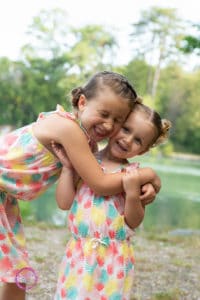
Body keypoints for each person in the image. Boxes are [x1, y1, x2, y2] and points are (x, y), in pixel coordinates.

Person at [0, 71, 160, 300]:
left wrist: (143, 184)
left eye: (117, 120)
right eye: (104, 114)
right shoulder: (69, 130)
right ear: (82, 102)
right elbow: (101, 183)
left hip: (5, 199)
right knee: (14, 274)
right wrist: (150, 174)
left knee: (16, 274)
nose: (108, 125)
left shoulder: (85, 143)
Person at [53, 100, 171, 300]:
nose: (127, 139)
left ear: (142, 151)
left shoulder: (135, 174)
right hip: (79, 252)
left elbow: (134, 221)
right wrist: (67, 168)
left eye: (138, 140)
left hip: (114, 257)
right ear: (116, 125)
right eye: (125, 129)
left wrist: (133, 194)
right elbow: (64, 203)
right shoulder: (86, 161)